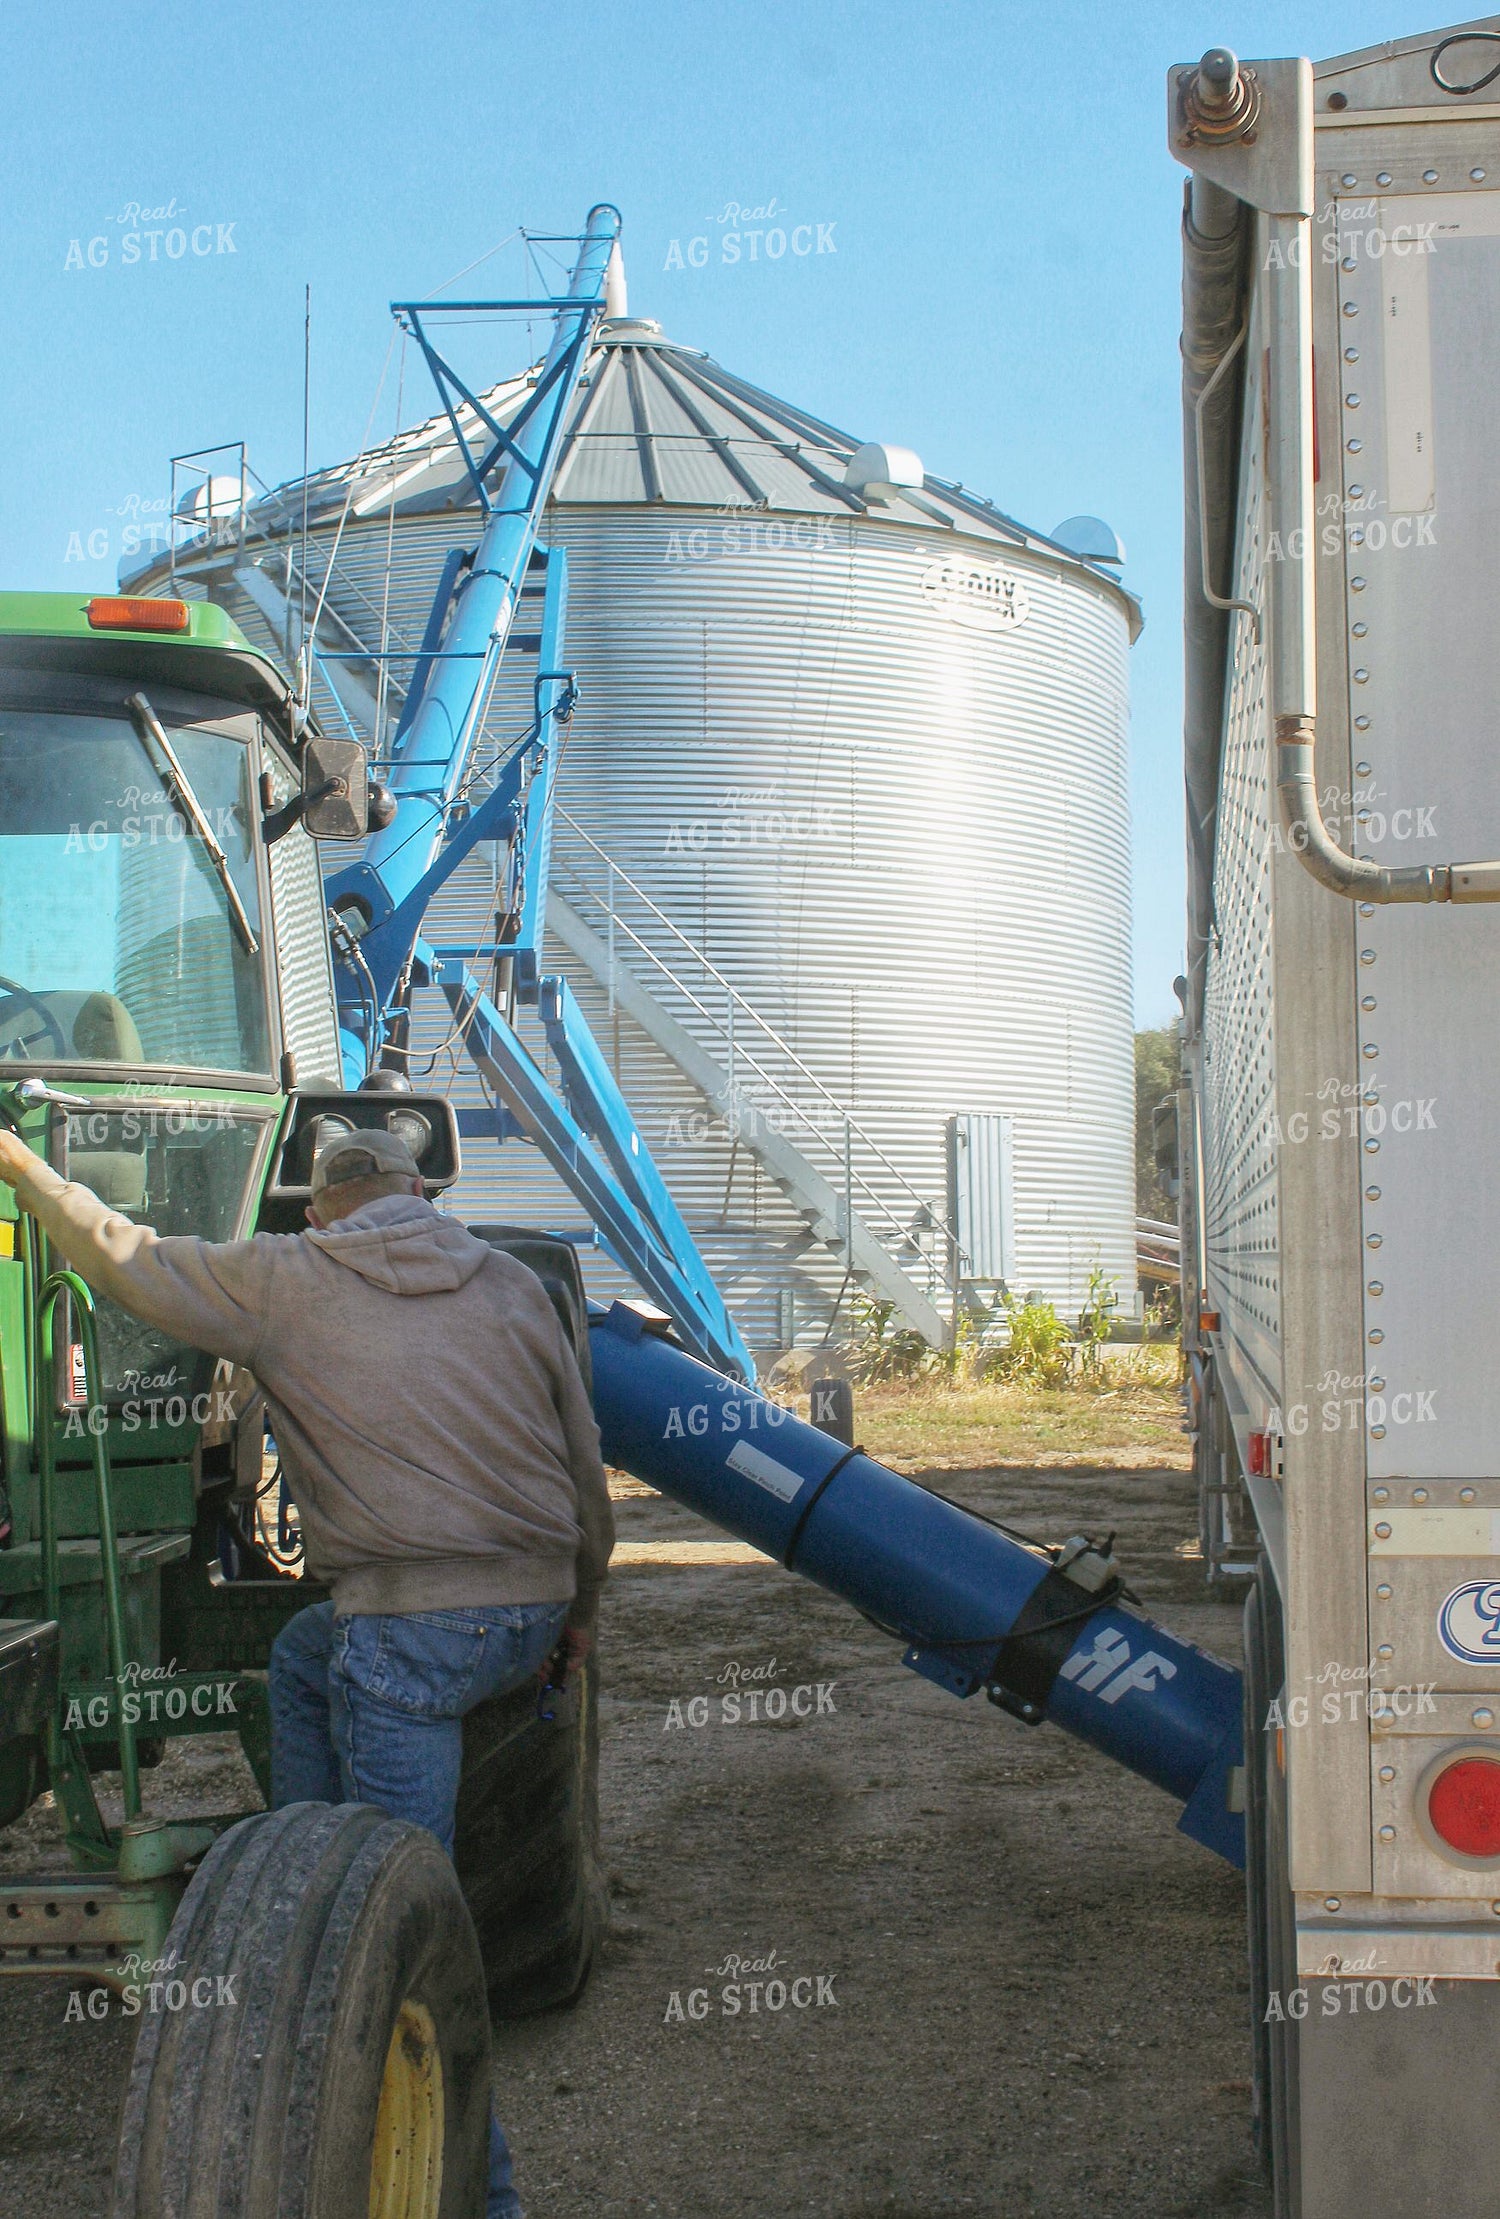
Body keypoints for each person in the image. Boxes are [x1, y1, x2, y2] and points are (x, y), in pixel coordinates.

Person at [0, 1119, 614, 2219]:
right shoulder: (515, 1286)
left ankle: (491, 2192)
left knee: (398, 1933)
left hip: (415, 1631)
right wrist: (579, 1613)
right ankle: (303, 1880)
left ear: (322, 1205)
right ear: (421, 1189)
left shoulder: (287, 1276)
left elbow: (123, 1255)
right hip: (530, 1611)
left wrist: (22, 1166)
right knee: (298, 1652)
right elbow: (586, 1473)